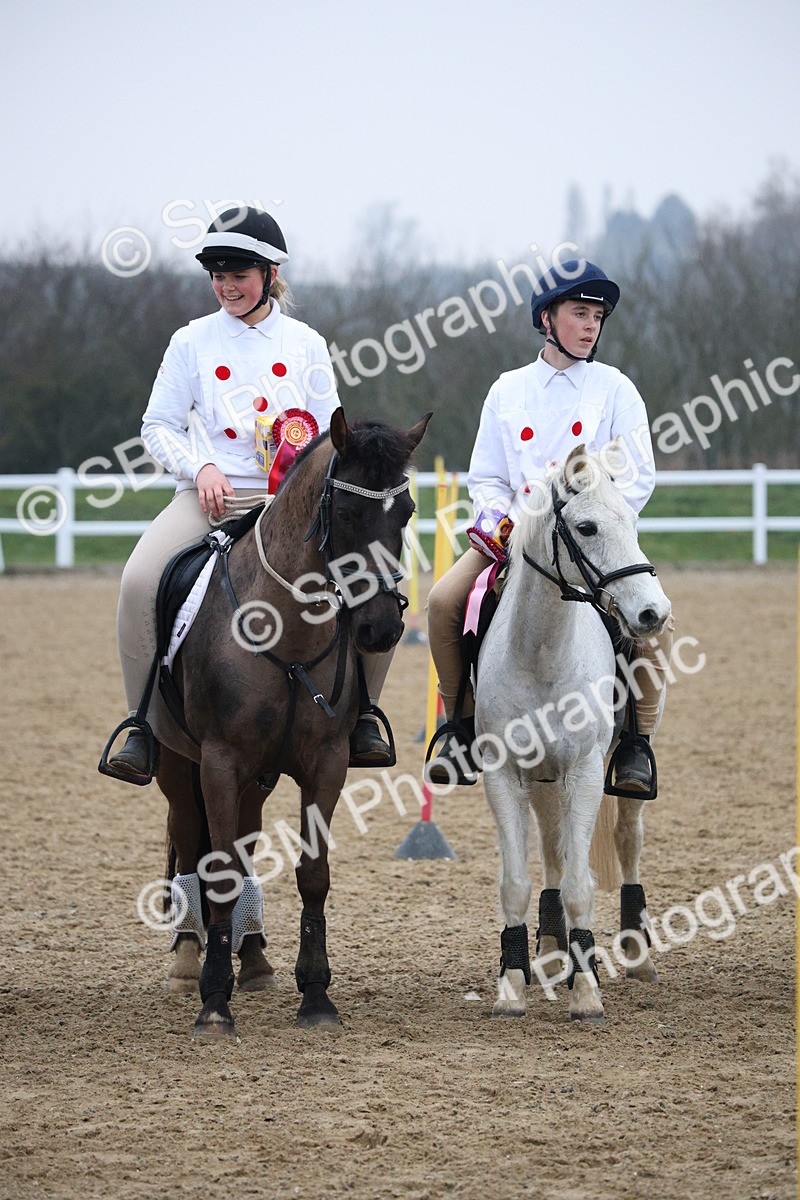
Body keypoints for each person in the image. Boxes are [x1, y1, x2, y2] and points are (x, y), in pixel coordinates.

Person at [109, 206, 393, 780]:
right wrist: (199, 466)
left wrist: (306, 493)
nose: (225, 286)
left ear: (269, 272)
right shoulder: (190, 341)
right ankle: (142, 724)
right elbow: (156, 426)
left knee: (382, 578)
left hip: (290, 508)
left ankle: (364, 714)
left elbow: (327, 434)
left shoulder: (307, 343)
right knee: (139, 580)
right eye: (216, 274)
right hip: (209, 498)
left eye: (237, 274)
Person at [426, 259, 674, 789]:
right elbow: (487, 476)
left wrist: (596, 523)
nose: (591, 326)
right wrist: (498, 523)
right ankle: (460, 729)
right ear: (547, 319)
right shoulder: (507, 390)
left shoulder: (616, 389)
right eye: (579, 313)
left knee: (657, 624)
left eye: (597, 317)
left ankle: (634, 744)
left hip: (593, 541)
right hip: (515, 538)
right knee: (443, 602)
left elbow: (637, 476)